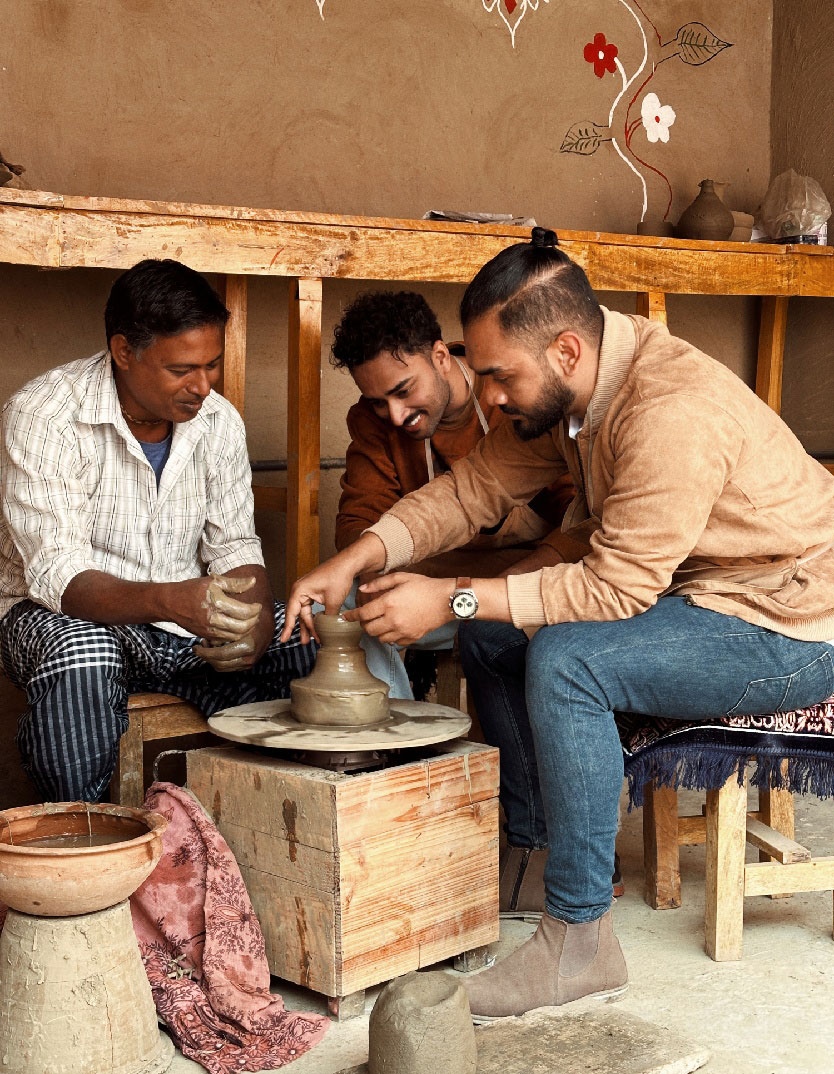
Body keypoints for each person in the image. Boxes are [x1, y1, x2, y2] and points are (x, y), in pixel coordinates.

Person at [281, 227, 834, 1020]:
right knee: (495, 633)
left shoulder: (669, 408)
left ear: (567, 350)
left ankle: (579, 939)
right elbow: (470, 490)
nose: (491, 398)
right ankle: (545, 849)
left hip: (789, 621)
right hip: (706, 595)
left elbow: (614, 591)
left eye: (501, 377)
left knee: (568, 659)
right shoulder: (575, 398)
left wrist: (450, 596)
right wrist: (360, 556)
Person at [0, 259, 316, 803]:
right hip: (59, 616)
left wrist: (259, 622)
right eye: (181, 370)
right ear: (124, 352)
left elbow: (236, 546)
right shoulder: (44, 415)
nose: (202, 387)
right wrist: (172, 602)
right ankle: (88, 832)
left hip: (181, 620)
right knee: (84, 654)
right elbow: (60, 576)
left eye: (212, 366)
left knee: (308, 636)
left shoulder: (218, 422)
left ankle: (273, 826)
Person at [333, 289, 574, 701]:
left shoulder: (510, 397)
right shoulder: (373, 423)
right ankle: (397, 748)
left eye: (405, 390)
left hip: (522, 582)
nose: (395, 415)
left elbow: (577, 525)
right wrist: (377, 586)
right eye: (378, 402)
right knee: (341, 612)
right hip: (430, 585)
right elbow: (359, 521)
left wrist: (476, 593)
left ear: (441, 357)